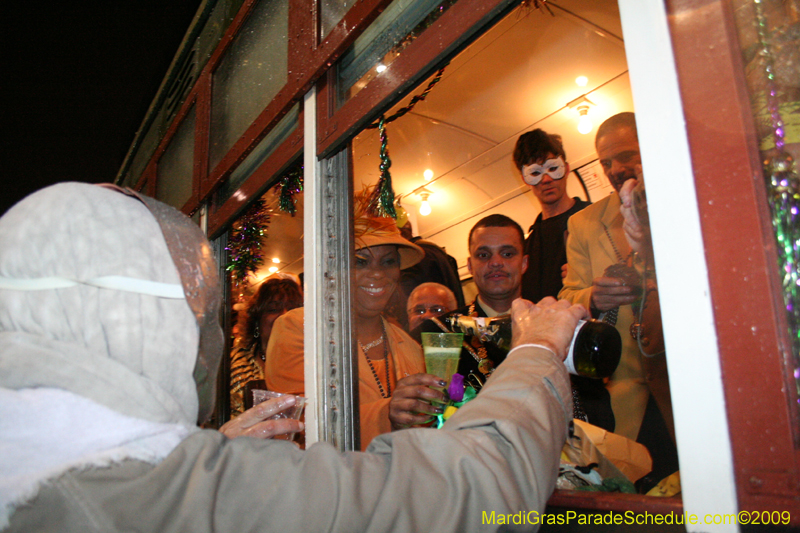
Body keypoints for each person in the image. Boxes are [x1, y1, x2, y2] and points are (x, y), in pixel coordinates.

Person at [0, 182, 581, 532]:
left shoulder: (410, 342)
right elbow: (465, 495)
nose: (199, 334)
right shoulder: (135, 484)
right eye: (183, 301)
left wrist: (216, 453)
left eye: (388, 263)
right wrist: (539, 346)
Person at [558, 112, 678, 490]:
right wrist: (593, 296)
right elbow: (568, 297)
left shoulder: (684, 202)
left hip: (685, 384)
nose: (614, 169)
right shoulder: (583, 223)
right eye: (605, 162)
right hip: (624, 402)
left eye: (626, 156)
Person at [264, 187, 429, 450]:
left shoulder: (409, 347)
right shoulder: (300, 328)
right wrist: (388, 414)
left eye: (388, 262)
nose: (377, 274)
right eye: (360, 262)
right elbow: (296, 425)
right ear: (335, 269)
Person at [513, 129, 613, 431]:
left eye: (552, 168)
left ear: (566, 167)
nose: (546, 179)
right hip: (547, 365)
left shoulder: (593, 222)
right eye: (534, 172)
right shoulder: (527, 244)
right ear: (524, 178)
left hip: (590, 362)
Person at [399, 214, 529, 428]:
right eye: (483, 255)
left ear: (524, 263)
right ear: (470, 265)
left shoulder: (551, 326)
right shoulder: (436, 332)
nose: (495, 262)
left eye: (507, 253)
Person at [229, 277, 303, 416]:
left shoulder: (311, 364)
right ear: (257, 320)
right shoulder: (232, 363)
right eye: (274, 309)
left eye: (292, 310)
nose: (284, 316)